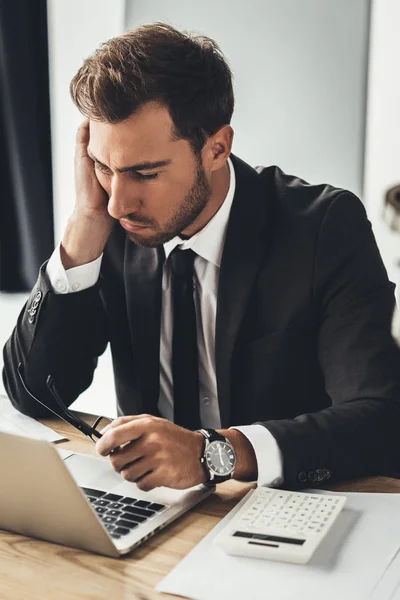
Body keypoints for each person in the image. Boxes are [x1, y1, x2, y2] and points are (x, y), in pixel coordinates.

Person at [3, 22, 400, 493]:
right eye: (103, 167)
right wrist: (83, 226)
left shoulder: (323, 227)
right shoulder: (113, 221)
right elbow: (33, 392)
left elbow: (379, 419)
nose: (118, 202)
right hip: (165, 509)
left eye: (145, 173)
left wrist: (214, 453)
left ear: (217, 148)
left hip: (288, 503)